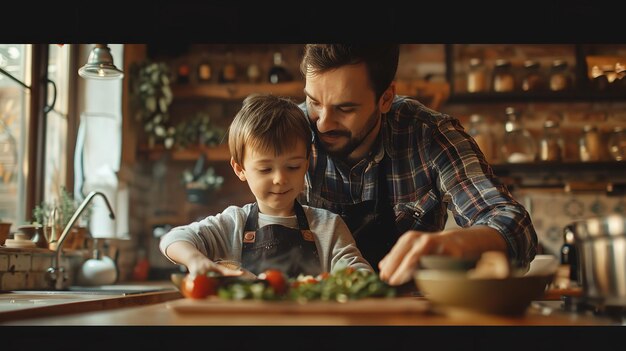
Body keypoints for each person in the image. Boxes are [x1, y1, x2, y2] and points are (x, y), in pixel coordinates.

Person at [297, 44, 538, 286]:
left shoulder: (429, 135)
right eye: (313, 102)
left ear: (386, 98)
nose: (323, 125)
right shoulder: (287, 133)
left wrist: (457, 244)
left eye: (345, 108)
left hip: (410, 311)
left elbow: (515, 225)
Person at [159, 94, 373, 278]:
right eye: (265, 169)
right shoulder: (233, 224)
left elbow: (359, 272)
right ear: (240, 168)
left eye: (293, 166)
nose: (280, 178)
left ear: (306, 165)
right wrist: (196, 260)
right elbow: (173, 238)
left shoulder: (328, 226)